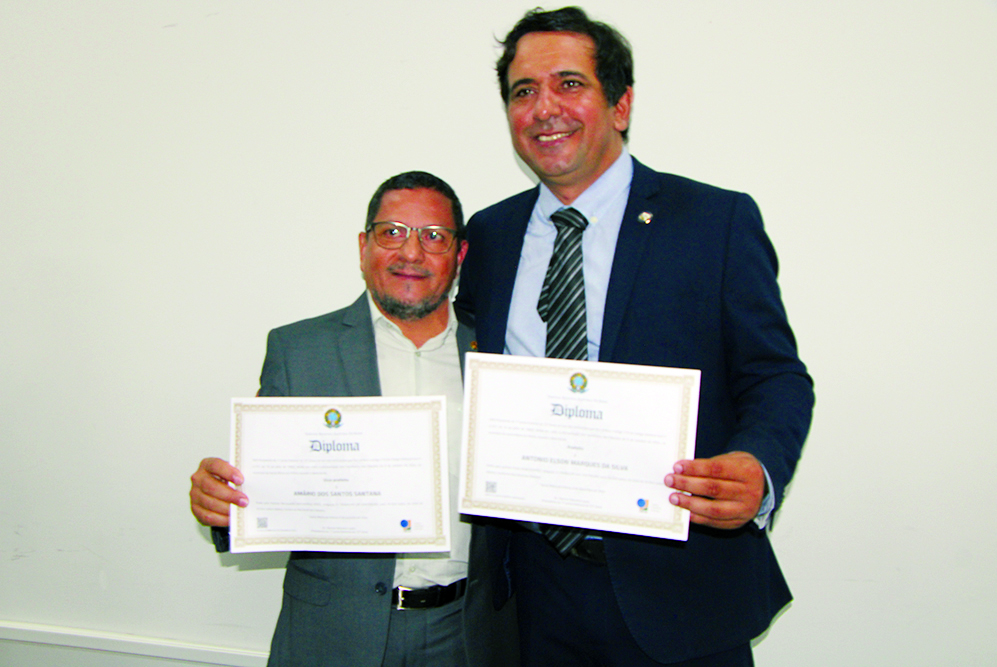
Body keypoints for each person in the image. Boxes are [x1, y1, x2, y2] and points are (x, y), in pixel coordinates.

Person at [454, 7, 814, 667]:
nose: (544, 108)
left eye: (569, 84)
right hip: (532, 597)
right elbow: (455, 361)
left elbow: (775, 375)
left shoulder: (714, 220)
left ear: (620, 105)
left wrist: (757, 467)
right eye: (524, 91)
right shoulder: (492, 235)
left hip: (680, 594)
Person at [189, 171, 518, 667]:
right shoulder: (299, 351)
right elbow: (265, 490)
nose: (411, 253)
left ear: (460, 255)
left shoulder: (499, 355)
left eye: (433, 237)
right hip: (333, 635)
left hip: (465, 638)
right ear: (364, 247)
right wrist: (220, 501)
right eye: (392, 233)